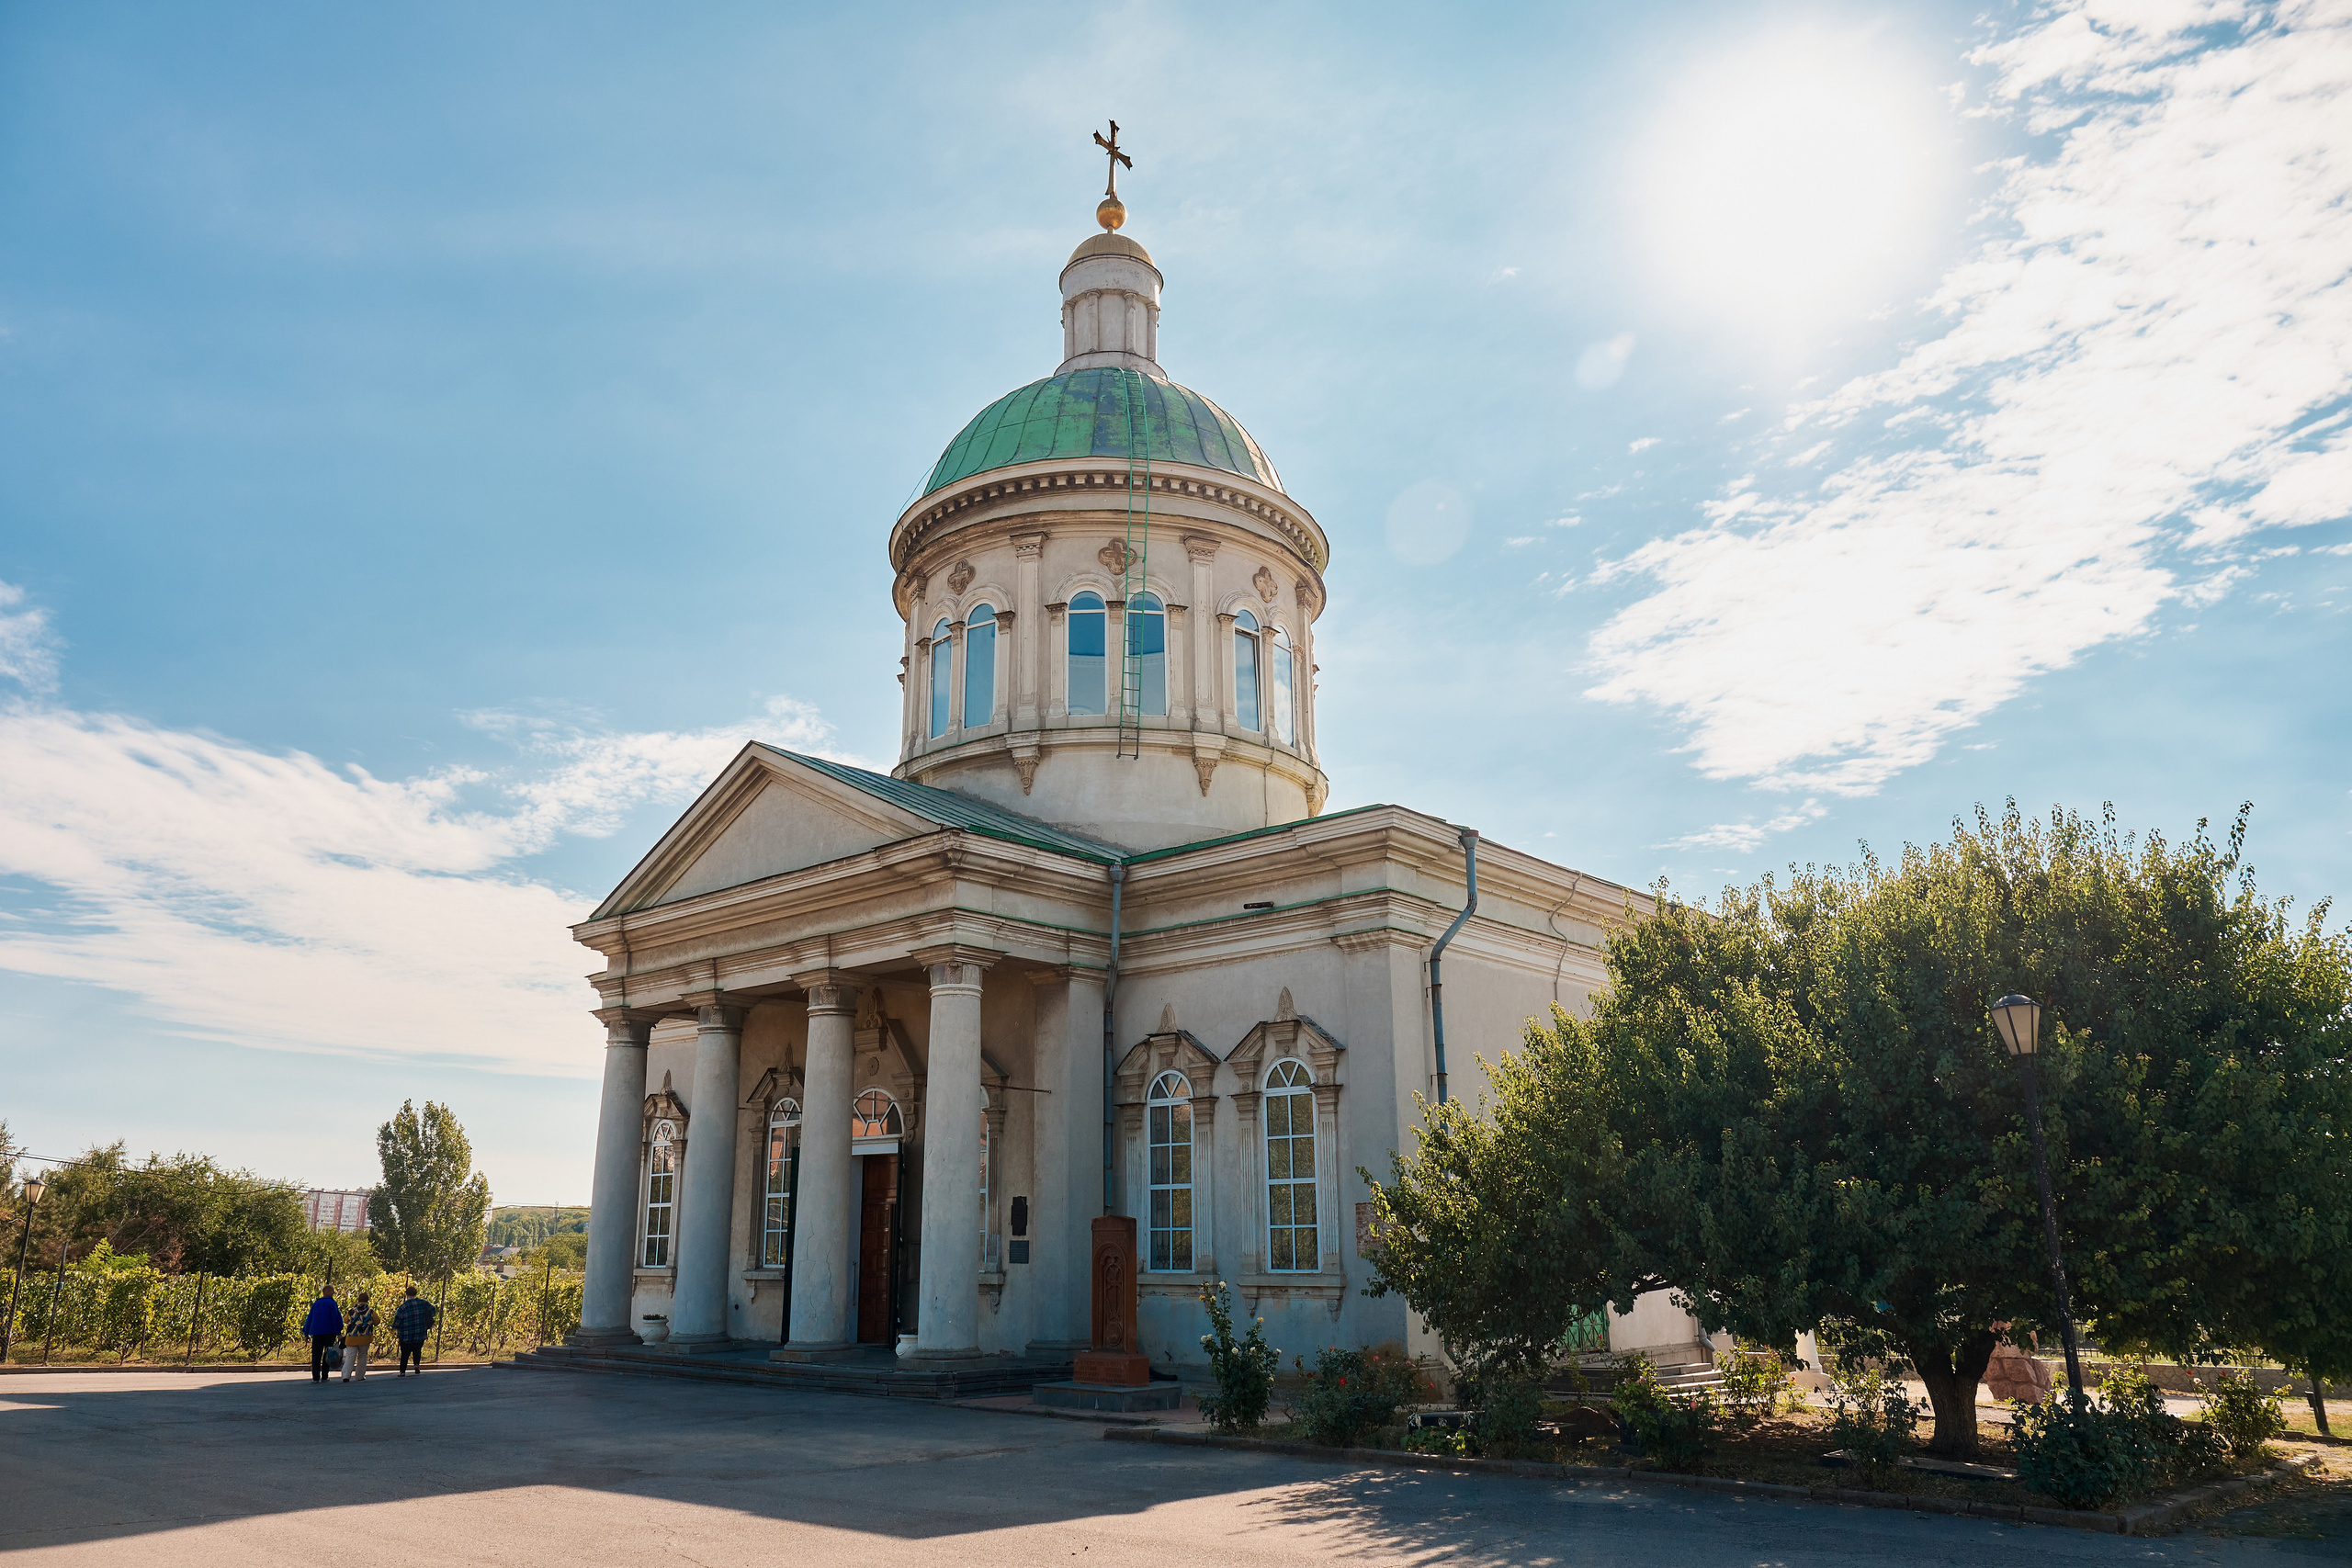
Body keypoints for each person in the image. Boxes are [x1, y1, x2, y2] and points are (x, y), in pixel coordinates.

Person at [390, 1282, 436, 1375]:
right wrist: (427, 1318)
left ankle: (402, 1372)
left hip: (406, 1333)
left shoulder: (403, 1306)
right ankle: (416, 1365)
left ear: (406, 1294)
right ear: (415, 1294)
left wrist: (395, 1328)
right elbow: (433, 1309)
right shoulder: (423, 1303)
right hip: (420, 1331)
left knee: (405, 1353)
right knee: (417, 1349)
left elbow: (398, 1319)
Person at [301, 1286, 343, 1383]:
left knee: (316, 1355)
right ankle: (325, 1376)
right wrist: (338, 1332)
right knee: (328, 1354)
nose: (333, 1293)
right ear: (330, 1292)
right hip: (329, 1332)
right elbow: (335, 1318)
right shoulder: (332, 1303)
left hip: (317, 1332)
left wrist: (306, 1333)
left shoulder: (315, 1304)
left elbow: (309, 1318)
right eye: (333, 1291)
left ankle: (315, 1377)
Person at [340, 1291, 378, 1382]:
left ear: (358, 1300)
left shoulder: (351, 1311)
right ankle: (360, 1376)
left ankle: (346, 1376)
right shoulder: (370, 1311)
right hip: (365, 1338)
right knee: (362, 1356)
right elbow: (377, 1321)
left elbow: (345, 1320)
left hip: (351, 1338)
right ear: (367, 1300)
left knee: (350, 1357)